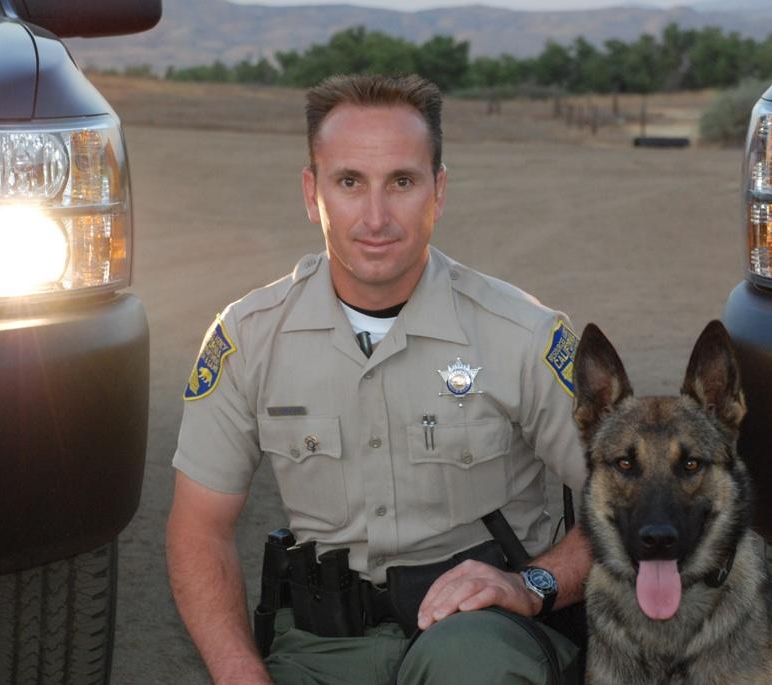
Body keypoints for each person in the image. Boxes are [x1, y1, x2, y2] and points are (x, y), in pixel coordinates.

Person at [165, 73, 591, 685]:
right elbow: (198, 529)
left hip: (478, 632)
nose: (376, 216)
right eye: (348, 182)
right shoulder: (248, 338)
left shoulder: (523, 334)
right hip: (320, 643)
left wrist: (533, 584)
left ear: (438, 192)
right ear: (312, 194)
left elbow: (632, 504)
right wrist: (240, 673)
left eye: (402, 182)